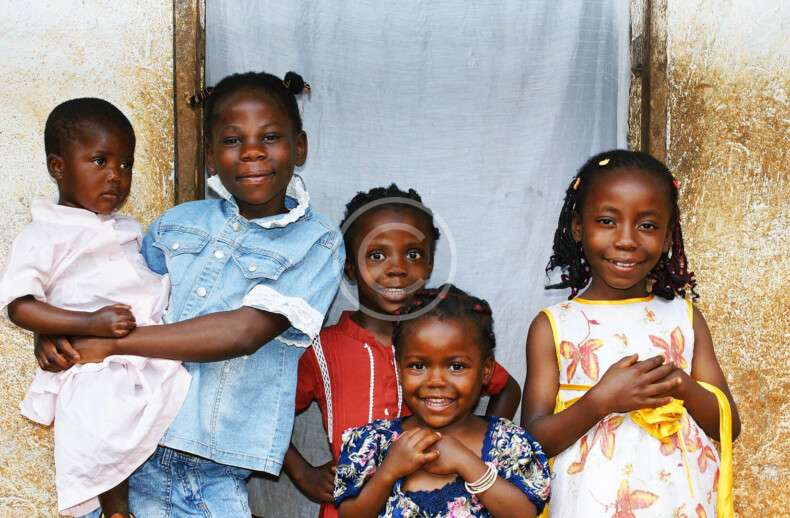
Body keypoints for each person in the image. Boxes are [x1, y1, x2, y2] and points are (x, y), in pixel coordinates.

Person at [39, 71, 344, 517]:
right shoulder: (177, 224)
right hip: (129, 453)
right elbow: (109, 296)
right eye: (233, 140)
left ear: (300, 147)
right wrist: (55, 332)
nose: (253, 151)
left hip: (210, 472)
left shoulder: (316, 243)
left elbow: (242, 336)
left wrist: (111, 344)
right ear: (211, 159)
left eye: (270, 137)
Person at [521, 150, 741, 517]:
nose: (626, 240)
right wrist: (600, 402)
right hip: (588, 500)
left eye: (647, 226)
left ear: (668, 236)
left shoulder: (684, 318)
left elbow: (727, 426)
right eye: (607, 221)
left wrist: (682, 386)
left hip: (678, 501)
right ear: (578, 226)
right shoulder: (554, 326)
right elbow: (533, 441)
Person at [0, 98, 191, 517]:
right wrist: (90, 322)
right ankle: (115, 509)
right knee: (101, 422)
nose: (115, 176)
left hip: (146, 345)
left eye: (126, 164)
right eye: (100, 161)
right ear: (58, 167)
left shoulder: (127, 228)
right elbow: (20, 306)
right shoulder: (44, 233)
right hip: (94, 360)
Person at [283, 185, 522, 517]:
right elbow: (264, 413)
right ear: (349, 266)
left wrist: (480, 449)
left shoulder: (444, 342)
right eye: (377, 255)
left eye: (413, 254)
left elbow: (507, 387)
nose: (397, 268)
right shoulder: (322, 350)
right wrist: (302, 473)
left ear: (430, 264)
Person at [334, 285, 550, 517]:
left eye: (456, 366)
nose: (436, 381)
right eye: (418, 365)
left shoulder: (508, 443)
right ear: (399, 368)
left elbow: (525, 514)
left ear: (486, 370)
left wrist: (465, 462)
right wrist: (389, 471)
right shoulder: (373, 443)